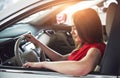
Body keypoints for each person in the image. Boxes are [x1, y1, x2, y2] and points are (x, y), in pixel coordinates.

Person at [23, 8, 106, 76]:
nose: (71, 32)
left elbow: (83, 68)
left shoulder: (96, 49)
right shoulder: (86, 46)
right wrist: (37, 42)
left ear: (86, 28)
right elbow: (60, 58)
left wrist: (42, 64)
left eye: (75, 28)